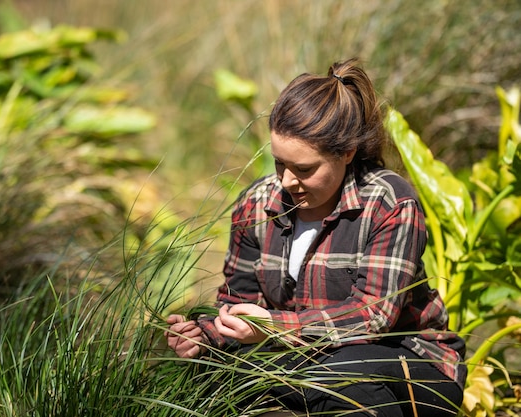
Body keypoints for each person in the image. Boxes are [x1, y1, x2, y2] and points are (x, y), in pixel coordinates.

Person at [166, 58, 466, 416]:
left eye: (305, 169)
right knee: (214, 376)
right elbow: (237, 300)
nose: (287, 180)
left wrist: (275, 329)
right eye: (279, 163)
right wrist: (205, 335)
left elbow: (373, 317)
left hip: (409, 364)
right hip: (301, 363)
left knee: (337, 373)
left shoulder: (389, 202)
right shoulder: (256, 203)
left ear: (347, 152)